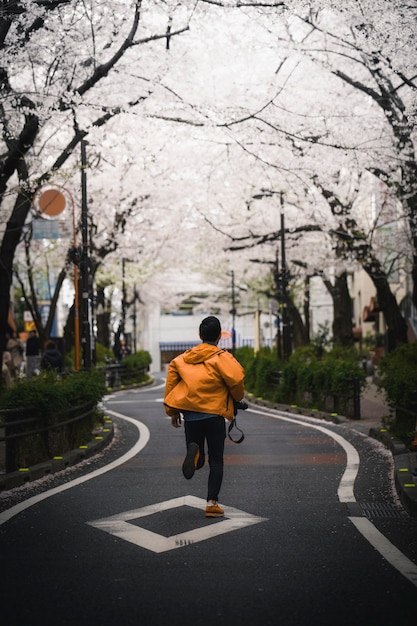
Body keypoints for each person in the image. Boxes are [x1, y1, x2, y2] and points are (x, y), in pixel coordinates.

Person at [164, 316, 245, 518]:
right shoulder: (222, 358)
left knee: (197, 457)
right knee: (216, 460)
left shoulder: (182, 358)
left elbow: (172, 381)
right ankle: (211, 504)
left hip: (191, 416)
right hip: (214, 415)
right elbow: (236, 381)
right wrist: (237, 400)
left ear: (200, 335)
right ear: (219, 336)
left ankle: (196, 454)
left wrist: (173, 411)